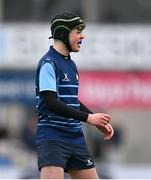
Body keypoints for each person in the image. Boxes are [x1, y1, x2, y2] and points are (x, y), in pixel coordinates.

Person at [35, 12, 114, 179]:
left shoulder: (70, 64)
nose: (82, 36)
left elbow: (70, 101)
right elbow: (51, 102)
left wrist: (94, 119)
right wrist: (88, 118)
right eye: (78, 31)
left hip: (75, 138)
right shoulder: (48, 63)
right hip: (52, 138)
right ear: (63, 33)